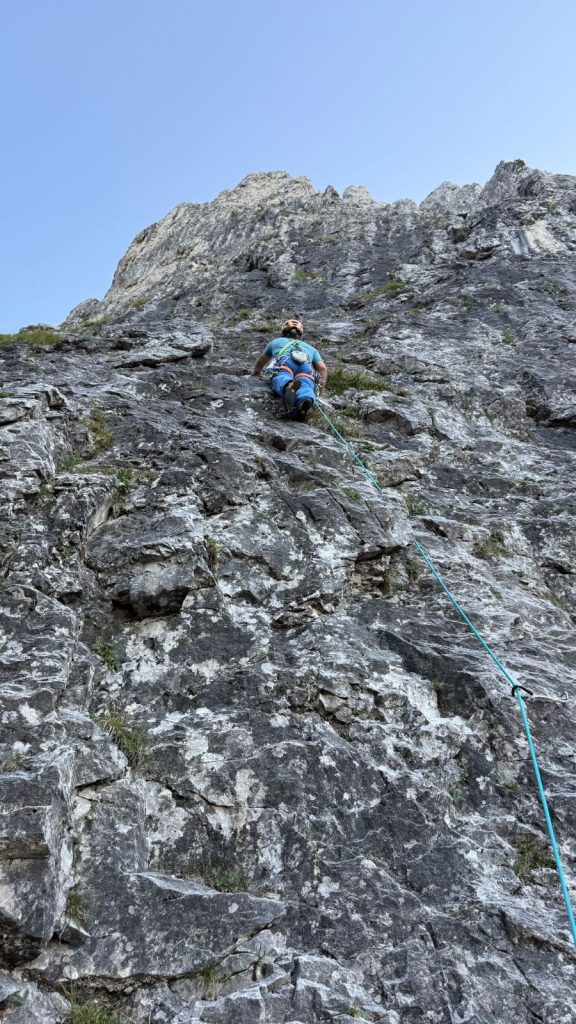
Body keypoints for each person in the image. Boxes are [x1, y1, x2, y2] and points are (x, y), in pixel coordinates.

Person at [251, 319, 328, 420]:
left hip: (286, 362)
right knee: (306, 385)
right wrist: (321, 393)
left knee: (282, 376)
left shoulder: (276, 341)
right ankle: (305, 400)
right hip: (306, 366)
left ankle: (288, 385)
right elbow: (322, 368)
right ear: (300, 334)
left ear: (283, 332)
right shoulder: (311, 348)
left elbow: (261, 362)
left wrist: (257, 372)